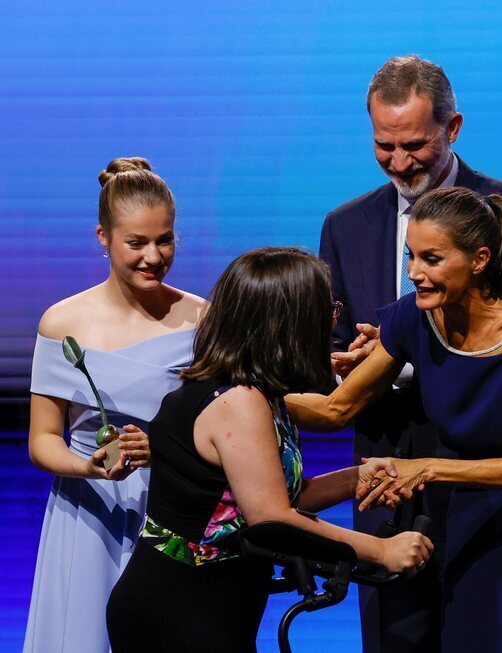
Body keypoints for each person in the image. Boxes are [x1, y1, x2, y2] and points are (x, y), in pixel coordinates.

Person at [291, 187, 502, 652]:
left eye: (431, 259)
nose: (413, 274)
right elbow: (336, 408)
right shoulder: (413, 318)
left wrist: (424, 467)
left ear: (480, 259)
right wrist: (241, 392)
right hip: (468, 520)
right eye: (410, 256)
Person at [319, 53, 502, 652]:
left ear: (453, 129)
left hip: (481, 465)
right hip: (381, 466)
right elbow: (327, 345)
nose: (399, 163)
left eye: (415, 145)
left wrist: (404, 351)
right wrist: (346, 360)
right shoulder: (344, 225)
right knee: (394, 635)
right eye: (384, 146)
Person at [106, 247, 432, 653]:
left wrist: (356, 478)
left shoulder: (261, 393)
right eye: (326, 309)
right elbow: (270, 518)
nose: (333, 321)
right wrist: (381, 549)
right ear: (290, 324)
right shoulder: (238, 402)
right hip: (180, 610)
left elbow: (267, 495)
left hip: (218, 603)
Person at [24, 158, 206, 653]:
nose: (154, 256)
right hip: (89, 513)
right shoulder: (62, 322)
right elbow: (42, 439)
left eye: (164, 240)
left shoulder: (201, 318)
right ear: (103, 237)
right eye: (137, 243)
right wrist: (89, 466)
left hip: (174, 509)